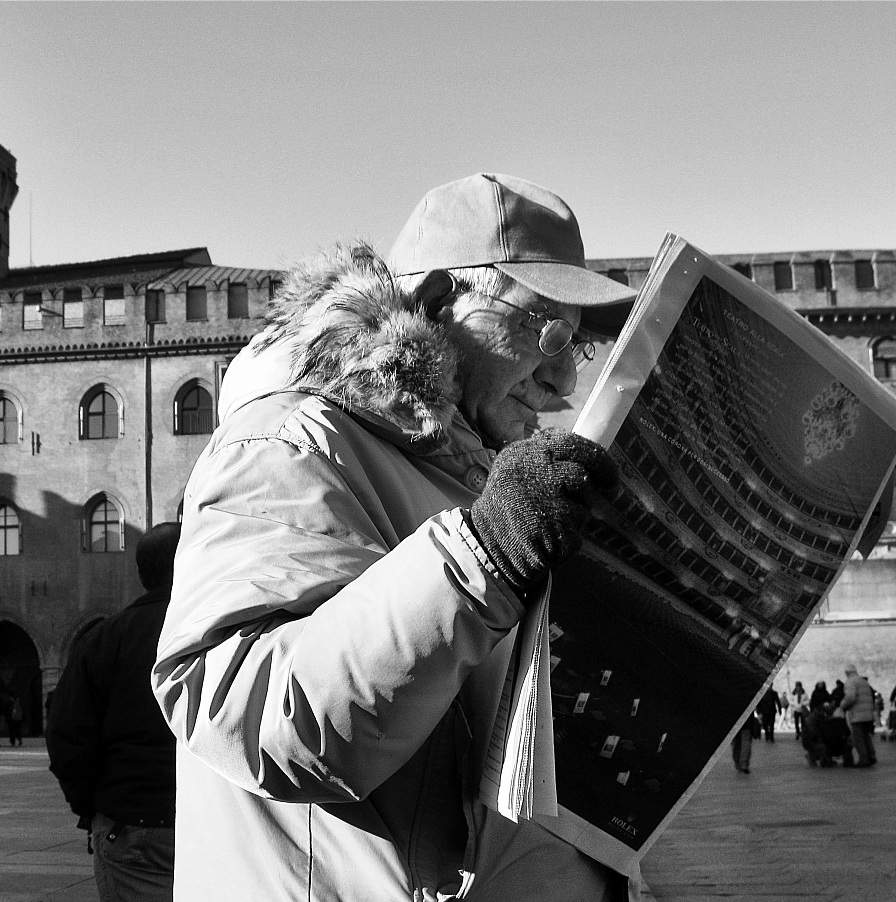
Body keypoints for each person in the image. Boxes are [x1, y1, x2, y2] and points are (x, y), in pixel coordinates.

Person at [151, 173, 639, 900]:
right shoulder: (290, 440)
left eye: (583, 345)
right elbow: (249, 713)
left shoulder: (477, 474)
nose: (565, 376)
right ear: (440, 301)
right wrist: (483, 559)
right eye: (548, 332)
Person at [49, 522, 182, 902]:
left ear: (142, 574)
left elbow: (66, 734)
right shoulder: (218, 627)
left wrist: (92, 808)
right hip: (214, 816)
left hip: (131, 820)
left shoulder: (104, 639)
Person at [838, 665, 876, 767]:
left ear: (847, 673)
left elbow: (850, 697)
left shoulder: (850, 682)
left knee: (858, 738)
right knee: (866, 736)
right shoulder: (863, 681)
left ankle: (864, 759)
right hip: (867, 713)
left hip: (857, 714)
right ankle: (871, 755)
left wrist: (842, 705)